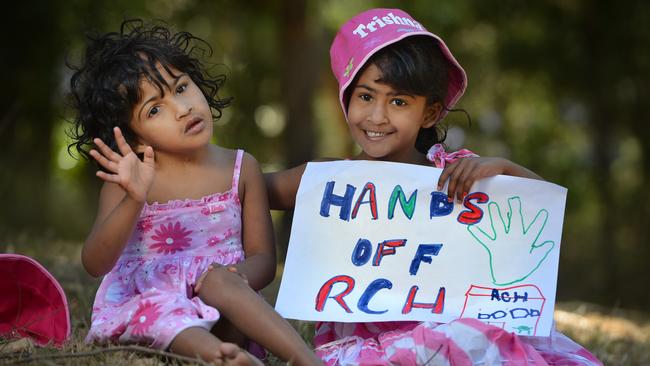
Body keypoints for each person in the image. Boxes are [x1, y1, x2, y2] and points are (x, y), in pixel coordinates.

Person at [263, 8, 602, 366]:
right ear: (346, 98)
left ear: (429, 113)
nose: (377, 116)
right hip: (368, 346)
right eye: (365, 96)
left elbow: (542, 209)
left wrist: (502, 168)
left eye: (398, 101)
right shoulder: (329, 179)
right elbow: (248, 191)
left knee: (480, 339)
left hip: (463, 329)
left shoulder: (458, 173)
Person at [67, 19, 322, 366]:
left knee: (219, 284)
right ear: (137, 138)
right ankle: (222, 358)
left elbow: (263, 256)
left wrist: (237, 278)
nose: (182, 107)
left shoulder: (241, 168)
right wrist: (134, 199)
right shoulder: (126, 184)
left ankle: (308, 361)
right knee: (159, 310)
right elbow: (95, 263)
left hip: (224, 305)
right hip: (154, 309)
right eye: (155, 109)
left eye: (182, 87)